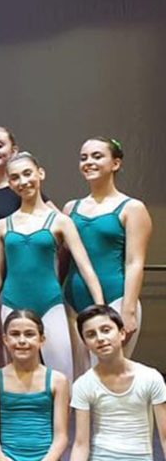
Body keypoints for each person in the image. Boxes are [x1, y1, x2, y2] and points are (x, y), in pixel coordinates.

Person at [0, 152, 104, 382]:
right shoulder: (2, 226)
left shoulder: (61, 221)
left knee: (63, 374)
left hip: (50, 303)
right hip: (11, 303)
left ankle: (64, 408)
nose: (23, 181)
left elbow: (85, 266)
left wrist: (101, 308)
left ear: (40, 174)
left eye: (27, 173)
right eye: (15, 177)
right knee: (15, 376)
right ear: (10, 183)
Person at [63, 138, 151, 359]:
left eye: (97, 156)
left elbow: (135, 262)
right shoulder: (71, 208)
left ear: (115, 163)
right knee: (76, 375)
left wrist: (128, 309)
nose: (89, 162)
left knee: (109, 372)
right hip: (72, 302)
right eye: (84, 158)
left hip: (115, 300)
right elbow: (63, 259)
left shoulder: (132, 208)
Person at [68, 305, 166, 461]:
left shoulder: (150, 377)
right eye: (91, 334)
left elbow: (165, 437)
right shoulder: (83, 384)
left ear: (121, 333)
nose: (100, 338)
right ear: (85, 343)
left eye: (106, 330)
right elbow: (81, 443)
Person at [0, 309, 69, 461]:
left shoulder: (57, 380)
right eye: (15, 334)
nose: (22, 341)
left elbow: (61, 436)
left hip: (45, 459)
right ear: (5, 339)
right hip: (8, 458)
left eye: (29, 334)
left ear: (42, 339)